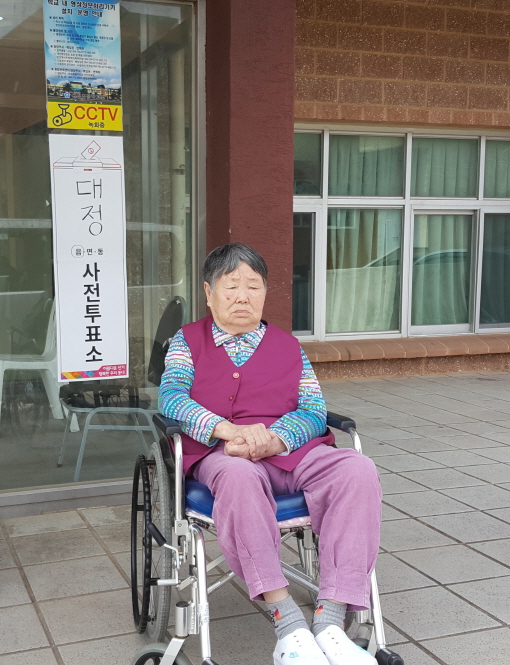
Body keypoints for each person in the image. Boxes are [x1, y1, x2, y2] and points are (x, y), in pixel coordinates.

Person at [159, 243, 381, 665]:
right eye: (231, 286)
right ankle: (288, 624)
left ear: (265, 292)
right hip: (223, 452)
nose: (242, 296)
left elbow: (313, 410)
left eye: (253, 286)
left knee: (358, 469)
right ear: (209, 293)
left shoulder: (288, 346)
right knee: (238, 477)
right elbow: (171, 398)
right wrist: (228, 430)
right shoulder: (187, 342)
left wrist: (275, 439)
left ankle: (331, 622)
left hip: (291, 451)